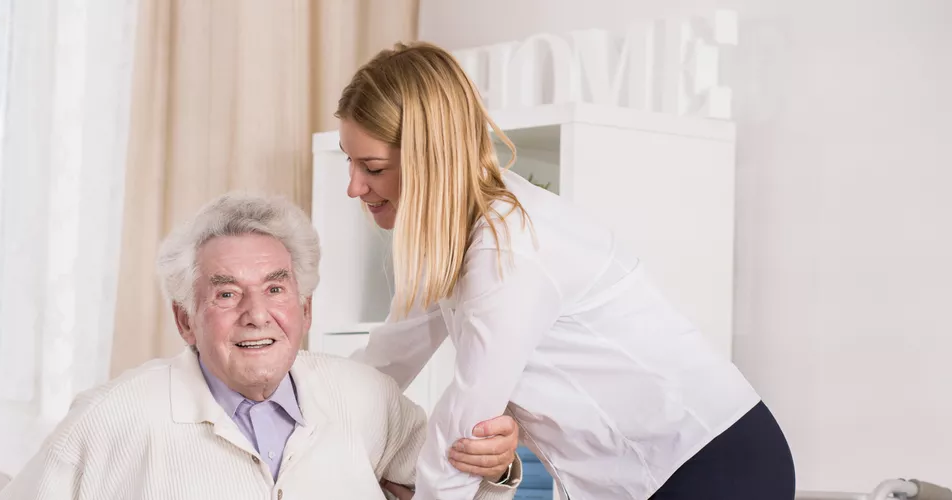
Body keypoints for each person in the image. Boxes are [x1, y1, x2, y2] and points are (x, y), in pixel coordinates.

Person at [336, 41, 796, 500]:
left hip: (712, 463)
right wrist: (298, 405)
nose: (354, 187)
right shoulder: (449, 239)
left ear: (431, 158)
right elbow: (383, 365)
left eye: (372, 167)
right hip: (659, 472)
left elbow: (464, 435)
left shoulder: (508, 249)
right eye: (349, 161)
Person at [0, 193, 524, 500]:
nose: (256, 313)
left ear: (305, 309)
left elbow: (457, 490)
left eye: (275, 288)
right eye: (226, 293)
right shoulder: (112, 416)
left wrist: (494, 466)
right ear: (185, 319)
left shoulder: (366, 397)